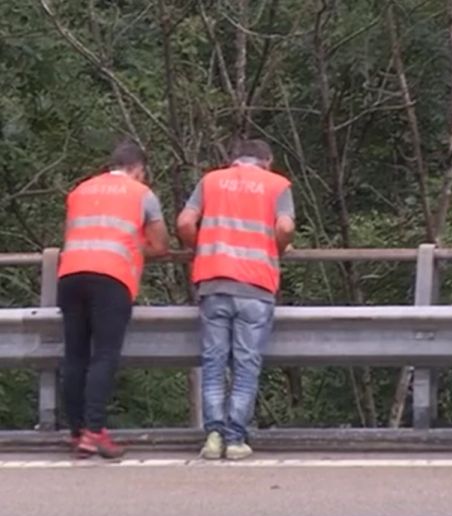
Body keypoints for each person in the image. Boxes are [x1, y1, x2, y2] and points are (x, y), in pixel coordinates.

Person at [176, 139, 295, 461]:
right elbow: (285, 226)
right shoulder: (277, 185)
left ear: (233, 160)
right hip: (256, 284)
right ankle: (236, 439)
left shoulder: (210, 181)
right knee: (246, 363)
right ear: (266, 162)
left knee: (214, 362)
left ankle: (213, 436)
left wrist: (200, 246)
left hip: (213, 280)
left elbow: (185, 222)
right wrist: (277, 248)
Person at [57, 141, 169, 459]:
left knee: (75, 355)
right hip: (111, 277)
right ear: (138, 169)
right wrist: (134, 246)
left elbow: (73, 234)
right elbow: (160, 244)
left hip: (71, 274)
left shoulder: (81, 190)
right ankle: (95, 432)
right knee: (104, 356)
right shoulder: (141, 194)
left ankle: (77, 431)